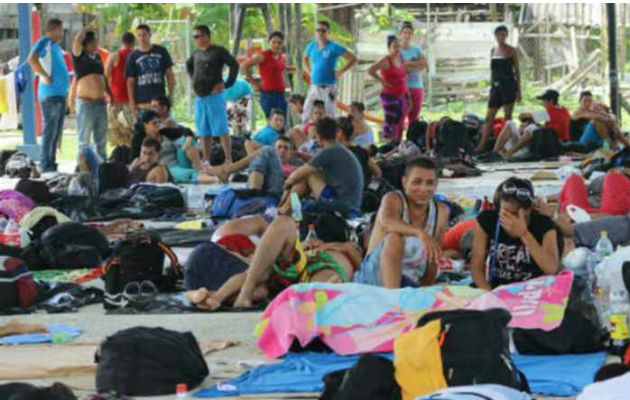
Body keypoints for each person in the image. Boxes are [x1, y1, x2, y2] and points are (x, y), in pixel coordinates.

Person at [191, 215, 362, 310]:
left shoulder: (345, 249)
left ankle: (217, 296)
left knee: (260, 284)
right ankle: (225, 296)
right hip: (304, 272)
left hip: (316, 272)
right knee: (261, 282)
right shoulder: (344, 249)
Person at [354, 158, 449, 288]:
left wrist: (426, 289)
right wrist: (419, 232)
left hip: (408, 280)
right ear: (404, 182)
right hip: (374, 278)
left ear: (436, 185)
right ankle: (393, 298)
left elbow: (433, 257)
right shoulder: (393, 199)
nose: (423, 188)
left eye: (430, 183)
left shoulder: (441, 211)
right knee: (395, 237)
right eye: (417, 182)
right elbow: (388, 222)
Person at [471, 177, 559, 290]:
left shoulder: (544, 224)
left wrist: (524, 234)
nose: (509, 218)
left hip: (533, 289)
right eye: (504, 212)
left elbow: (551, 268)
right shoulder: (488, 220)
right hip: (498, 288)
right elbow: (477, 265)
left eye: (514, 213)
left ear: (528, 210)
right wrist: (488, 292)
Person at [279, 117, 364, 218]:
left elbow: (298, 175)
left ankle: (285, 210)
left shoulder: (328, 151)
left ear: (318, 136)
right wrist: (299, 155)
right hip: (352, 204)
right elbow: (314, 160)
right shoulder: (338, 149)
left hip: (341, 205)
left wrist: (286, 187)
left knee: (306, 175)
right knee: (308, 174)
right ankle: (289, 210)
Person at [186, 24, 239, 165]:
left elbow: (234, 65)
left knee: (221, 128)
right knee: (203, 131)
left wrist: (227, 83)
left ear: (206, 36)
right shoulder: (195, 54)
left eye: (198, 36)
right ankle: (206, 159)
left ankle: (228, 158)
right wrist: (195, 82)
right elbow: (189, 66)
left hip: (215, 96)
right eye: (194, 37)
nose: (195, 39)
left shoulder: (218, 51)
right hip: (200, 97)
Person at [28, 18, 71, 173]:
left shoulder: (55, 47)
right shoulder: (44, 41)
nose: (61, 32)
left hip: (59, 94)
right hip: (50, 95)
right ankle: (46, 165)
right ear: (53, 29)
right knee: (50, 131)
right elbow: (31, 59)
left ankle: (51, 163)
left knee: (55, 132)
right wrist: (44, 75)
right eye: (60, 29)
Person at [137, 110, 218, 184]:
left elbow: (187, 131)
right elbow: (137, 160)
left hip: (179, 161)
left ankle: (199, 167)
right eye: (154, 123)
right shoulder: (140, 139)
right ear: (145, 125)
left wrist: (187, 143)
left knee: (184, 140)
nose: (158, 125)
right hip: (166, 167)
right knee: (191, 174)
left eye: (159, 122)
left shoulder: (164, 132)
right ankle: (210, 177)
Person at [302, 21, 357, 124]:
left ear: (328, 32)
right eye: (318, 30)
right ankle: (305, 132)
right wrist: (309, 70)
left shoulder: (334, 47)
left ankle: (330, 135)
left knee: (329, 112)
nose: (320, 33)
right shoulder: (311, 46)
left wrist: (341, 71)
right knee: (307, 109)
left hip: (328, 86)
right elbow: (305, 58)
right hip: (314, 85)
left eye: (323, 31)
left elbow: (353, 58)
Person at [68, 28, 111, 162]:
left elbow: (103, 77)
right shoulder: (79, 56)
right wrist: (84, 30)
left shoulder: (97, 57)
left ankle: (102, 168)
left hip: (100, 102)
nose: (96, 44)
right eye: (93, 42)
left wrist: (111, 94)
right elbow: (76, 41)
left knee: (101, 139)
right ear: (86, 44)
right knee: (84, 140)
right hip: (86, 103)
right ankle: (83, 169)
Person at [477, 25, 521, 153]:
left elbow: (517, 72)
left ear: (507, 36)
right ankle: (481, 146)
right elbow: (492, 72)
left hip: (508, 86)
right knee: (489, 118)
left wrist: (519, 91)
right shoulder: (493, 50)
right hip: (495, 88)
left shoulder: (512, 51)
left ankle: (508, 146)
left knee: (508, 118)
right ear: (495, 36)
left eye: (504, 35)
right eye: (499, 35)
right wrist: (491, 87)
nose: (502, 37)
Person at [503, 89, 571, 159]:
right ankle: (500, 152)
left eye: (543, 101)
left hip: (554, 143)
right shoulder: (563, 109)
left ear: (550, 101)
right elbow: (550, 128)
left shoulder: (549, 111)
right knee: (510, 124)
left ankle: (508, 153)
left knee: (530, 128)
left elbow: (522, 116)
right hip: (553, 140)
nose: (542, 103)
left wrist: (528, 123)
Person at [125, 24, 175, 115]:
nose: (142, 38)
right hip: (142, 103)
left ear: (149, 35)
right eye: (139, 35)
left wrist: (171, 95)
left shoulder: (161, 51)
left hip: (160, 102)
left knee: (164, 127)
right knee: (145, 128)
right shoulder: (133, 56)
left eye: (144, 34)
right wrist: (132, 104)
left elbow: (170, 74)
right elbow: (130, 81)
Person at [368, 35, 411, 143]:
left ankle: (395, 146)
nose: (397, 49)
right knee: (390, 123)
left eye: (399, 46)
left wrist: (408, 96)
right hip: (389, 96)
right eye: (394, 46)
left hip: (402, 95)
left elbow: (403, 78)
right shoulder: (385, 60)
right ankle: (387, 147)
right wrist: (382, 80)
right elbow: (370, 70)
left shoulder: (401, 58)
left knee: (399, 123)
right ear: (389, 48)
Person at [204, 145, 285, 198]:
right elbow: (247, 142)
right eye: (279, 147)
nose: (282, 150)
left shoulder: (294, 163)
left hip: (275, 192)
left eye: (286, 148)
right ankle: (227, 170)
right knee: (263, 154)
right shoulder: (272, 161)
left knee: (268, 150)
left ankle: (227, 170)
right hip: (265, 187)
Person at [242, 31, 289, 118]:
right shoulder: (263, 55)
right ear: (269, 42)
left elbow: (280, 70)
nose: (276, 45)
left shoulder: (281, 57)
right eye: (273, 42)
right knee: (273, 122)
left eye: (279, 43)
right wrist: (254, 83)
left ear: (282, 44)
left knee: (282, 122)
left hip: (281, 94)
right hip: (268, 95)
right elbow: (245, 66)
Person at [105, 32, 136, 147]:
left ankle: (119, 156)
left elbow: (105, 76)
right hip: (132, 100)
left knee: (117, 134)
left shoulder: (114, 56)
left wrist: (109, 95)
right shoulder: (135, 55)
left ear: (121, 42)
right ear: (133, 43)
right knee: (131, 132)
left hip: (116, 99)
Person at [336, 116, 381, 185]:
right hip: (366, 192)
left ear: (340, 133)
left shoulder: (337, 154)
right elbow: (378, 172)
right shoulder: (361, 151)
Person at [399, 21, 428, 124]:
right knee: (400, 117)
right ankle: (397, 140)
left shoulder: (417, 49)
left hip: (417, 86)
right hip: (401, 88)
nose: (407, 35)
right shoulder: (397, 50)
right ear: (400, 34)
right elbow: (399, 69)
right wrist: (416, 64)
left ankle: (412, 139)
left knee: (414, 117)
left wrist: (407, 64)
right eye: (405, 32)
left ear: (412, 35)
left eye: (410, 33)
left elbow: (425, 64)